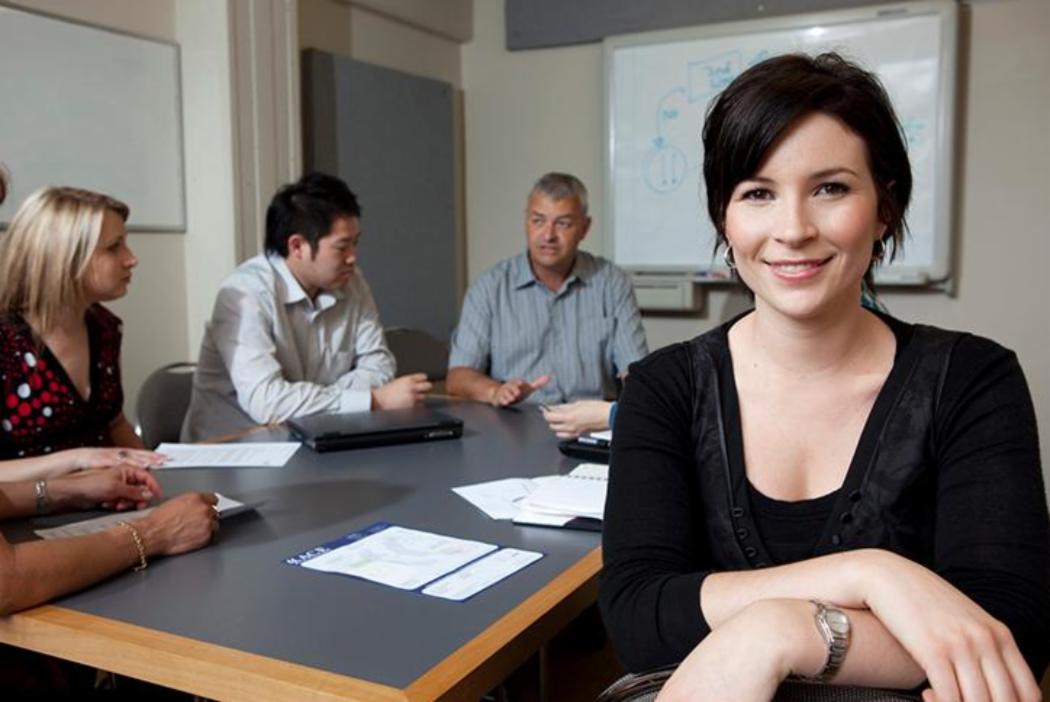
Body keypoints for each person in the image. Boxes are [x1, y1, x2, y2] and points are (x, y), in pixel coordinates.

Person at [599, 53, 1049, 702]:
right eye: (758, 193)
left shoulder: (973, 380)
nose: (793, 230)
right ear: (725, 219)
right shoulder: (664, 386)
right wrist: (871, 576)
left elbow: (1004, 641)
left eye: (830, 188)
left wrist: (782, 631)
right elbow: (640, 618)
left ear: (884, 208)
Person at [181, 173, 431, 441]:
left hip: (316, 438)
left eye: (355, 243)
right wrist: (371, 400)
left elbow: (379, 366)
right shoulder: (246, 293)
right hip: (234, 448)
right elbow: (268, 403)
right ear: (297, 246)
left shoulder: (352, 281)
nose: (353, 258)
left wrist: (308, 399)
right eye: (342, 247)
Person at [0, 185, 168, 477]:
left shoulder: (104, 327)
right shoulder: (6, 340)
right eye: (114, 247)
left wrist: (159, 475)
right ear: (64, 255)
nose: (131, 259)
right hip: (24, 516)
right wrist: (79, 459)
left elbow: (114, 425)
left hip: (100, 504)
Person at [447, 172, 648, 408]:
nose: (548, 235)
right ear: (526, 221)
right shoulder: (490, 288)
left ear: (584, 228)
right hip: (516, 425)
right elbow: (458, 377)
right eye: (538, 221)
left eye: (563, 223)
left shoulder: (612, 283)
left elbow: (636, 372)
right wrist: (496, 391)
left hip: (589, 423)